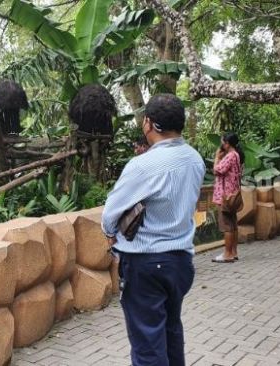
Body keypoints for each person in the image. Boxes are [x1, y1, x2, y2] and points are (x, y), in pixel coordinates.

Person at [102, 94, 205, 366]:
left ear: (148, 123)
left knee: (148, 345)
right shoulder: (195, 159)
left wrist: (109, 232)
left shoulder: (143, 165)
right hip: (181, 262)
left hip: (146, 264)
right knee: (171, 332)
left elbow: (111, 211)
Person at [211, 132, 244, 263]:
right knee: (233, 223)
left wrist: (216, 158)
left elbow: (217, 170)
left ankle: (227, 254)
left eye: (222, 142)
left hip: (225, 195)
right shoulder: (236, 155)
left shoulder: (230, 156)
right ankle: (233, 252)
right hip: (233, 194)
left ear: (227, 143)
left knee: (227, 225)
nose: (221, 144)